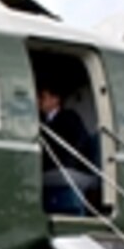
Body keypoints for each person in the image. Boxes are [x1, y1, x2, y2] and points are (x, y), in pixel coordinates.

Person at [38, 84, 94, 215]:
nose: (38, 101)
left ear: (55, 99)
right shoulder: (42, 122)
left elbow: (79, 144)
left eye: (42, 97)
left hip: (70, 165)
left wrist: (64, 165)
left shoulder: (69, 117)